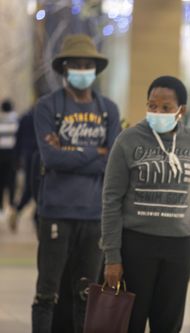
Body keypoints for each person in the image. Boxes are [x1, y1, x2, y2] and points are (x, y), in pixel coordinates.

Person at [101, 75, 190, 333]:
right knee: (129, 321)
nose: (157, 112)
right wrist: (112, 257)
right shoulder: (128, 140)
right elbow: (110, 200)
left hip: (178, 246)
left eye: (165, 107)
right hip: (136, 244)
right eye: (152, 106)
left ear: (181, 111)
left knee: (168, 323)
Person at [31, 33, 121, 333]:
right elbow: (51, 159)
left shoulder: (108, 109)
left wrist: (69, 151)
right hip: (56, 211)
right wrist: (95, 153)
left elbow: (111, 163)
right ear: (64, 68)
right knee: (47, 291)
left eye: (88, 65)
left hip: (94, 215)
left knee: (86, 292)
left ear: (95, 69)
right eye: (76, 64)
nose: (82, 70)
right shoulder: (47, 107)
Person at [0, 99, 19, 231]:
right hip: (13, 156)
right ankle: (12, 207)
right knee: (12, 182)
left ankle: (1, 208)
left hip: (1, 155)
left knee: (1, 183)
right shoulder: (16, 121)